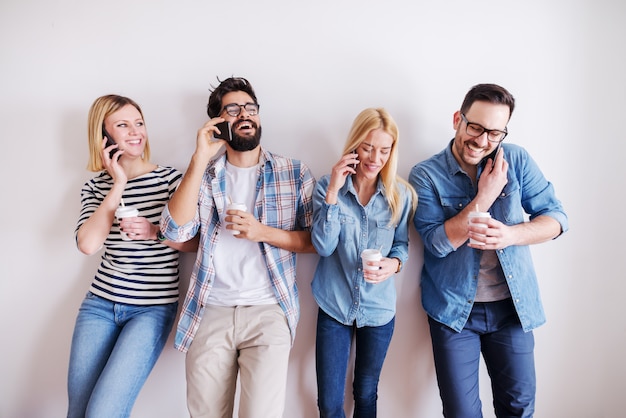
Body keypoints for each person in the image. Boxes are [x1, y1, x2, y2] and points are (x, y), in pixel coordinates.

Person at [409, 83, 569, 417]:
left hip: (513, 308)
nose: (482, 141)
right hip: (454, 313)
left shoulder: (518, 159)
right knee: (461, 412)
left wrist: (511, 235)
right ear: (458, 119)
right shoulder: (426, 174)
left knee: (518, 408)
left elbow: (557, 219)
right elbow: (436, 244)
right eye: (476, 128)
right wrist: (484, 198)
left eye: (494, 133)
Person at [160, 76, 316, 417]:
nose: (244, 114)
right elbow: (173, 229)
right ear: (218, 123)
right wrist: (199, 158)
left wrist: (263, 232)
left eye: (250, 107)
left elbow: (314, 241)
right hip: (210, 308)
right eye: (232, 109)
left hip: (269, 311)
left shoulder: (293, 172)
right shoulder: (204, 175)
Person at [67, 94, 198, 417]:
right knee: (78, 412)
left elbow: (195, 242)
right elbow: (87, 244)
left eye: (138, 123)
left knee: (103, 412)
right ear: (104, 135)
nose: (135, 132)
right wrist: (118, 184)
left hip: (150, 311)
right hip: (99, 305)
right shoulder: (96, 187)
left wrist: (155, 231)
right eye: (122, 125)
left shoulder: (170, 179)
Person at [311, 108, 417, 417]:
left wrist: (394, 265)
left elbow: (401, 245)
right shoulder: (326, 187)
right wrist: (332, 191)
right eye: (368, 147)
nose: (375, 157)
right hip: (334, 304)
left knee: (366, 393)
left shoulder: (401, 195)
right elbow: (322, 245)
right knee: (330, 404)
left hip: (379, 309)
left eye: (384, 150)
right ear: (355, 144)